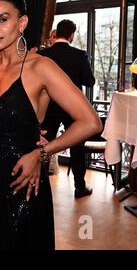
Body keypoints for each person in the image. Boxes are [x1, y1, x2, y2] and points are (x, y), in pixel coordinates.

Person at [0, 0, 102, 250]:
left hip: (21, 179)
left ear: (22, 23)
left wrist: (41, 153)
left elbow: (91, 122)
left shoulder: (41, 68)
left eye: (3, 20)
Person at [39, 19, 96, 199]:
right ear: (71, 35)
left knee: (44, 144)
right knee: (77, 145)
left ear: (56, 34)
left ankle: (39, 186)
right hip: (73, 108)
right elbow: (90, 81)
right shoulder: (79, 55)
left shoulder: (43, 55)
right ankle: (79, 187)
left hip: (48, 106)